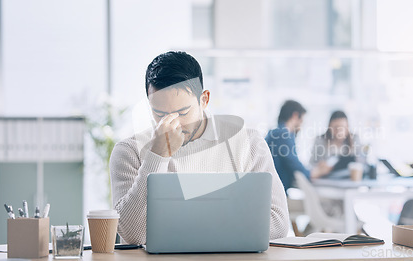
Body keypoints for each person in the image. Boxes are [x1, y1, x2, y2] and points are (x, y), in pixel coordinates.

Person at [110, 51, 289, 245]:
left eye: (182, 112)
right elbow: (133, 234)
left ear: (204, 100)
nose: (172, 123)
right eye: (159, 113)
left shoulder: (248, 142)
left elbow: (278, 224)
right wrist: (157, 156)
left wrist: (178, 225)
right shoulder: (129, 151)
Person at [265, 100, 325, 192]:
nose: (302, 124)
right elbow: (295, 166)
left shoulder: (276, 133)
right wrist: (318, 171)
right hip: (275, 193)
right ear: (295, 115)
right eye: (302, 120)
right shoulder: (283, 135)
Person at [310, 110, 363, 178]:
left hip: (349, 179)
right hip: (325, 180)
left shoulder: (354, 139)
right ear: (329, 127)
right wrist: (319, 167)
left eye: (342, 127)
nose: (339, 131)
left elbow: (361, 163)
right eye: (335, 128)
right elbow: (311, 164)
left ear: (347, 127)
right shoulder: (320, 140)